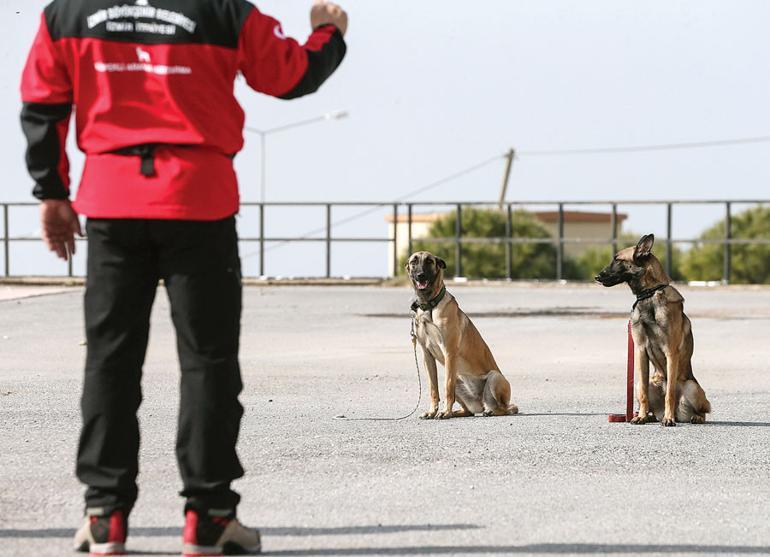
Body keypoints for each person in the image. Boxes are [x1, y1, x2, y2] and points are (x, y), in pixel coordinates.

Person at [20, 0, 347, 554]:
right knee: (208, 362)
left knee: (110, 360)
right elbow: (289, 75)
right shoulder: (222, 10)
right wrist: (327, 34)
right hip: (198, 199)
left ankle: (104, 518)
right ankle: (210, 519)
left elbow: (42, 105)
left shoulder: (68, 13)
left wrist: (51, 191)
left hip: (112, 199)